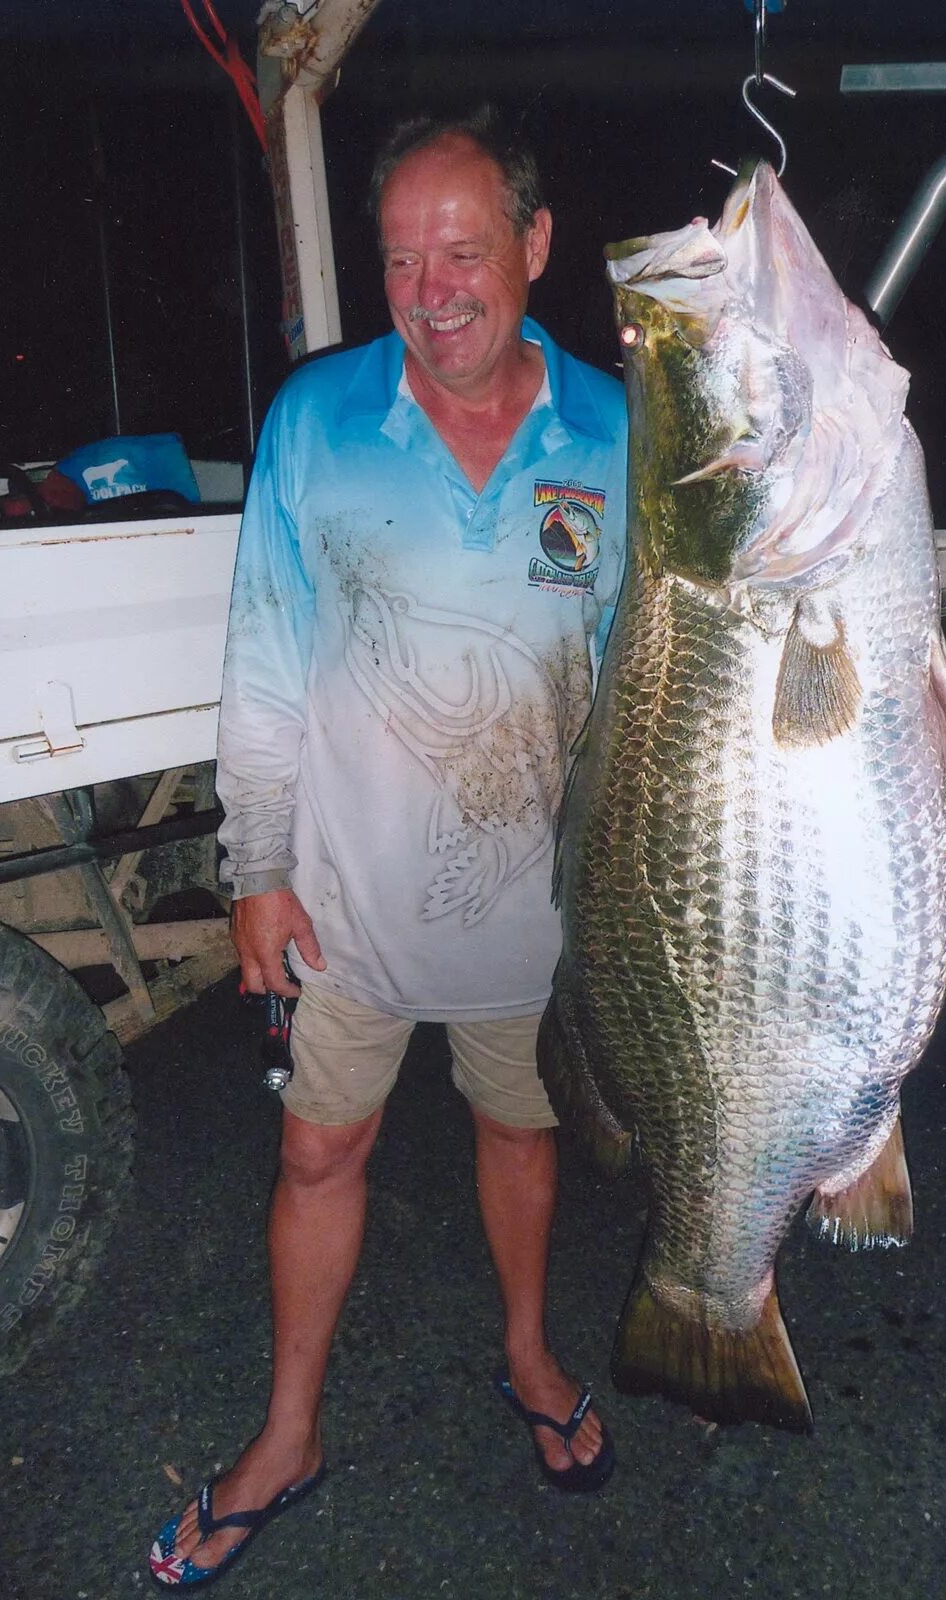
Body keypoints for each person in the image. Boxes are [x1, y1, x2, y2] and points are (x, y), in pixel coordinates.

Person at [148, 106, 628, 1588]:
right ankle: (287, 1434)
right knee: (319, 1147)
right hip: (346, 900)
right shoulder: (318, 419)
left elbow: (647, 679)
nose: (431, 290)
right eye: (402, 258)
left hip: (533, 909)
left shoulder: (619, 431)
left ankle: (532, 1356)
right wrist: (256, 868)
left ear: (536, 248)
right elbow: (265, 669)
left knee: (521, 1132)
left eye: (464, 250)